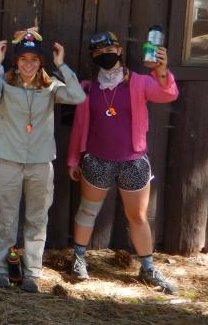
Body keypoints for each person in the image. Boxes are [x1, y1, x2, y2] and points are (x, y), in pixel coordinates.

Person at [66, 32, 179, 294]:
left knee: (138, 216)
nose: (104, 55)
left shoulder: (140, 82)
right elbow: (79, 126)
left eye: (109, 49)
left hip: (133, 162)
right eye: (97, 52)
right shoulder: (88, 88)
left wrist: (162, 71)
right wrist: (73, 158)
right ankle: (79, 258)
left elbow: (167, 94)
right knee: (87, 211)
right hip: (96, 160)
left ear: (119, 50)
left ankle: (147, 267)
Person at [0, 30, 85, 293]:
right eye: (23, 58)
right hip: (8, 161)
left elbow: (78, 97)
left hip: (39, 163)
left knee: (37, 219)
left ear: (41, 61)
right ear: (16, 61)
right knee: (6, 219)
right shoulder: (4, 82)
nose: (28, 64)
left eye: (34, 59)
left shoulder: (51, 86)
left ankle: (32, 273)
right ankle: (2, 269)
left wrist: (62, 66)